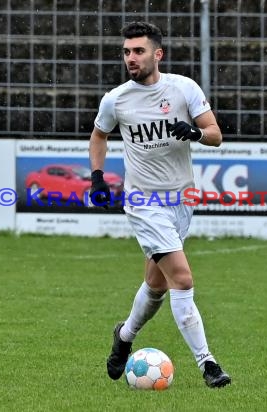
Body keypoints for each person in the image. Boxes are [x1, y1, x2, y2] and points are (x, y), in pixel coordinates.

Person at [88, 21, 231, 388]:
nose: (130, 58)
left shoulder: (184, 89)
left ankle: (123, 336)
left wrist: (196, 133)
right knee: (182, 278)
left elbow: (216, 135)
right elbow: (99, 135)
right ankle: (208, 364)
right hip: (142, 201)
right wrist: (98, 177)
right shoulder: (116, 99)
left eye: (138, 51)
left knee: (157, 284)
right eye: (126, 52)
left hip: (181, 199)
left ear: (157, 54)